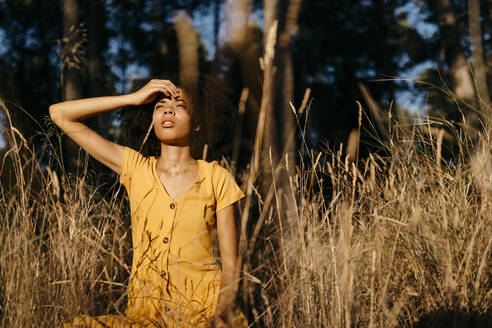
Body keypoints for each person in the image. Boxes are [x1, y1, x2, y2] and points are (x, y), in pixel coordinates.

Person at [49, 78, 246, 328]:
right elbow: (60, 114)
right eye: (159, 106)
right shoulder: (135, 168)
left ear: (197, 123)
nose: (168, 110)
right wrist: (133, 98)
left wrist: (221, 315)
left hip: (204, 315)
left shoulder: (217, 177)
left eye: (180, 105)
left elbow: (231, 265)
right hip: (145, 318)